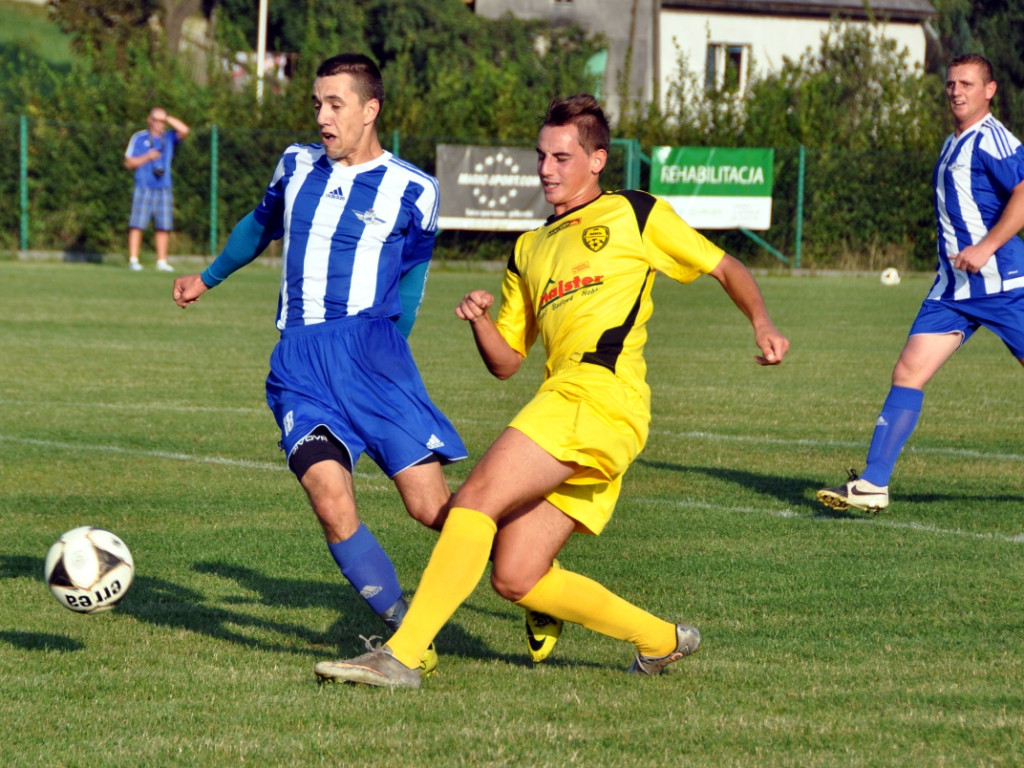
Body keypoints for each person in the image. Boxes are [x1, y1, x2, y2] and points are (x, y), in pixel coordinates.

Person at [313, 93, 790, 688]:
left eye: (562, 157)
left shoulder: (635, 213)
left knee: (473, 503)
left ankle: (402, 655)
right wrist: (483, 323)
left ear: (597, 161)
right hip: (576, 404)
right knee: (516, 575)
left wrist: (762, 322)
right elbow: (509, 363)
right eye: (541, 156)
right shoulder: (528, 249)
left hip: (599, 394)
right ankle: (660, 640)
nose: (546, 169)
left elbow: (725, 267)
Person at [171, 53, 471, 675]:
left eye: (336, 104)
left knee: (430, 509)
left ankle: (532, 577)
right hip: (301, 361)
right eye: (317, 104)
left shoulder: (412, 188)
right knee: (330, 499)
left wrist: (397, 350)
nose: (324, 116)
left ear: (371, 109)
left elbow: (412, 278)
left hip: (373, 358)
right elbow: (261, 226)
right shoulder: (296, 164)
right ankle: (410, 636)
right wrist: (209, 275)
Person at [816, 53, 1024, 514]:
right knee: (908, 372)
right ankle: (873, 483)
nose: (957, 91)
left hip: (1005, 284)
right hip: (953, 290)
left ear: (989, 90)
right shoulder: (954, 142)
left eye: (967, 84)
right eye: (951, 84)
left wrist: (988, 246)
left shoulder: (993, 139)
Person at [124, 106, 190, 272]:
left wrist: (167, 117)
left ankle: (161, 261)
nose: (159, 124)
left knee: (163, 225)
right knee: (137, 224)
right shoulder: (139, 138)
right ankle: (133, 260)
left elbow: (185, 130)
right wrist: (147, 156)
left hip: (163, 187)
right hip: (144, 186)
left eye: (162, 121)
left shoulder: (168, 137)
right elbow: (128, 163)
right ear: (149, 120)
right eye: (156, 120)